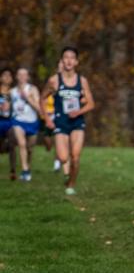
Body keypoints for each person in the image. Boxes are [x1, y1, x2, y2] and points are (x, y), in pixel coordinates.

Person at [40, 47, 95, 195]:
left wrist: (79, 111)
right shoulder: (54, 80)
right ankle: (67, 177)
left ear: (76, 62)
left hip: (77, 122)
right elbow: (42, 99)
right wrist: (46, 119)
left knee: (75, 157)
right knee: (64, 158)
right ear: (62, 61)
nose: (69, 60)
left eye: (72, 58)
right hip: (60, 122)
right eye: (66, 57)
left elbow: (91, 103)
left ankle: (71, 184)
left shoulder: (82, 81)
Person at [8, 68, 43, 181]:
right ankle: (25, 170)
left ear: (27, 77)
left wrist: (27, 98)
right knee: (22, 144)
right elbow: (8, 107)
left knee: (30, 148)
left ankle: (27, 166)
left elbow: (39, 109)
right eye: (20, 74)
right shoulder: (11, 91)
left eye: (25, 75)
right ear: (16, 77)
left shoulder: (33, 89)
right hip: (18, 121)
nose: (22, 77)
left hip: (32, 122)